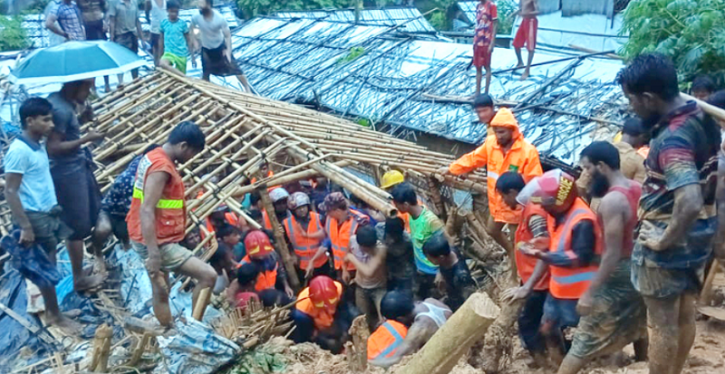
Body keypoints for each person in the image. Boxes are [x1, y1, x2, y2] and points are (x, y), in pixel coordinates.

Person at [617, 53, 720, 374]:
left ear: (648, 98)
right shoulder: (702, 117)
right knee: (684, 313)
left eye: (632, 100)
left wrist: (663, 240)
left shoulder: (673, 140)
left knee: (660, 326)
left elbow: (687, 200)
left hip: (668, 239)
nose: (630, 107)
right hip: (699, 234)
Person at [556, 142, 648, 374]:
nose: (585, 174)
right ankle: (643, 362)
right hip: (638, 267)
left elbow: (612, 253)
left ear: (602, 166)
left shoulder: (611, 201)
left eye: (588, 168)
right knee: (637, 320)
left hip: (616, 272)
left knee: (583, 340)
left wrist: (589, 292)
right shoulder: (637, 188)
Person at [126, 121, 217, 326]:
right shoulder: (162, 167)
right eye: (192, 153)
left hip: (145, 234)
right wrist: (153, 253)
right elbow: (147, 209)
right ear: (183, 146)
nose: (191, 159)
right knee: (208, 276)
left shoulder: (153, 156)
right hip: (155, 239)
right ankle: (195, 327)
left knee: (160, 287)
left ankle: (169, 329)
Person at [439, 108, 543, 282]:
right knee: (492, 230)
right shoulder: (491, 144)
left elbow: (534, 182)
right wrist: (451, 169)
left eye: (501, 132)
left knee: (518, 244)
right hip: (496, 204)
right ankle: (510, 252)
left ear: (512, 130)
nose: (498, 136)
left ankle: (515, 276)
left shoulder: (527, 152)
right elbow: (472, 159)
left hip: (515, 208)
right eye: (495, 131)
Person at [3, 98, 80, 333]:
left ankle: (54, 310)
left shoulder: (36, 145)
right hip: (33, 216)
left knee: (50, 264)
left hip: (46, 213)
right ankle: (55, 316)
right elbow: (10, 190)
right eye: (45, 120)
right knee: (45, 267)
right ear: (30, 121)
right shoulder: (19, 151)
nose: (50, 124)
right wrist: (25, 227)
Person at [522, 169, 602, 365]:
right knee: (547, 329)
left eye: (546, 204)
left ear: (559, 202)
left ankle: (590, 366)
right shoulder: (556, 214)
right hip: (558, 289)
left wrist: (543, 255)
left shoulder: (582, 220)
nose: (543, 208)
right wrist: (543, 243)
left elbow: (580, 257)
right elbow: (556, 240)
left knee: (587, 335)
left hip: (580, 291)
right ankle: (559, 365)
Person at [47, 80, 105, 291]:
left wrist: (81, 119)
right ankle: (78, 278)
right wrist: (85, 139)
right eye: (87, 88)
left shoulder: (61, 103)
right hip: (67, 174)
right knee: (76, 226)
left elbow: (64, 133)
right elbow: (54, 146)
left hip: (71, 170)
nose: (89, 93)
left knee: (76, 224)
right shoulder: (60, 109)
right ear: (75, 86)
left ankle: (78, 272)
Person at [496, 172, 549, 365]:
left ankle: (545, 362)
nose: (503, 201)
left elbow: (545, 250)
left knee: (528, 323)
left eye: (503, 196)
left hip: (540, 283)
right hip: (533, 279)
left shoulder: (534, 213)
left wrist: (528, 287)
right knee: (537, 321)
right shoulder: (529, 207)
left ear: (512, 192)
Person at [92, 144, 161, 262]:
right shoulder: (134, 181)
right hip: (110, 211)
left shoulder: (143, 163)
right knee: (103, 229)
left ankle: (125, 246)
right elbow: (141, 211)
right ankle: (97, 253)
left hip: (126, 215)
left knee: (131, 242)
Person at [577, 117, 647, 210]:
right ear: (641, 137)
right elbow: (638, 196)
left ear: (621, 132)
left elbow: (581, 186)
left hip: (595, 210)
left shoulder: (599, 151)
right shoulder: (639, 162)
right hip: (618, 212)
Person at [369, 291, 452, 368]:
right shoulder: (431, 301)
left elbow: (395, 360)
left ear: (400, 318)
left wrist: (368, 362)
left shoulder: (419, 328)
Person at [390, 183, 444, 300]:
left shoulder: (431, 221)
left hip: (433, 273)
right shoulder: (411, 216)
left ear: (405, 205)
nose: (395, 208)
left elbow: (446, 246)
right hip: (420, 269)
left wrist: (441, 272)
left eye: (397, 205)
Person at [191, 0, 253, 93]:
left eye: (201, 3)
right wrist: (195, 42)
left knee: (235, 69)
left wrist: (228, 51)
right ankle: (206, 92)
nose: (199, 6)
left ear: (208, 4)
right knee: (206, 72)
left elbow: (227, 35)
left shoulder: (219, 18)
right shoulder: (196, 17)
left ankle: (247, 89)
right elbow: (191, 29)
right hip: (206, 48)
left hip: (220, 47)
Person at [291, 275, 359, 353]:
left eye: (332, 300)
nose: (329, 309)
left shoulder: (338, 290)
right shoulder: (303, 310)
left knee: (355, 316)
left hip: (334, 320)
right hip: (317, 328)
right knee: (332, 344)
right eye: (321, 304)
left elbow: (344, 311)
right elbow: (304, 337)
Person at [345, 225, 387, 330]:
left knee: (384, 319)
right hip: (360, 287)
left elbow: (369, 272)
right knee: (362, 319)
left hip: (379, 288)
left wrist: (351, 258)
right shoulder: (353, 241)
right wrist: (344, 270)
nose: (368, 250)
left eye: (370, 248)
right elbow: (346, 255)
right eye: (365, 248)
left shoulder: (381, 249)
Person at [320, 192, 370, 281]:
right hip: (338, 267)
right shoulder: (330, 219)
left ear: (337, 211)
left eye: (329, 211)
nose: (327, 214)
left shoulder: (359, 222)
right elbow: (329, 237)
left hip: (356, 269)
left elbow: (367, 251)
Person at [422, 232, 476, 311]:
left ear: (441, 258)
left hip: (460, 304)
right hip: (451, 293)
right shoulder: (450, 251)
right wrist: (440, 273)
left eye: (430, 259)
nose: (427, 260)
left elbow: (470, 302)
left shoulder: (461, 277)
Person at [283, 192, 329, 280]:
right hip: (302, 265)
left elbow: (326, 237)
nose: (302, 210)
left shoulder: (319, 218)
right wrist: (292, 255)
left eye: (303, 207)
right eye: (298, 208)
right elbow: (286, 244)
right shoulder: (286, 224)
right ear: (293, 211)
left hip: (321, 262)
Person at [239, 230, 294, 297]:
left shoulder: (273, 255)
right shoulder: (243, 266)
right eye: (259, 255)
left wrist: (286, 286)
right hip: (257, 297)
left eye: (264, 254)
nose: (262, 257)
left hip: (272, 293)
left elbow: (280, 270)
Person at [75, 0, 111, 92]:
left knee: (103, 56)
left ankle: (107, 84)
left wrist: (106, 22)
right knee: (90, 58)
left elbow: (107, 10)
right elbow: (76, 11)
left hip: (99, 25)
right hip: (87, 27)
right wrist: (80, 26)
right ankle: (92, 86)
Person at [109, 0, 144, 85]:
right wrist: (111, 36)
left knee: (134, 58)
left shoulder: (134, 2)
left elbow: (137, 21)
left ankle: (135, 80)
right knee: (120, 59)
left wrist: (142, 38)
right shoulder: (115, 3)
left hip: (132, 34)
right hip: (120, 35)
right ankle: (121, 82)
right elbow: (112, 21)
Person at [377, 217, 415, 295]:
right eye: (390, 236)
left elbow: (410, 262)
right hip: (383, 270)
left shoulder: (408, 241)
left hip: (402, 271)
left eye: (395, 237)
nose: (392, 240)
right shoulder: (379, 229)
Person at [158, 1, 192, 76]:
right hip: (168, 53)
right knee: (163, 64)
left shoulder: (182, 24)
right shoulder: (164, 23)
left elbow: (188, 40)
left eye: (176, 12)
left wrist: (192, 57)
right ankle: (185, 77)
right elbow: (161, 41)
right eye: (172, 11)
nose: (174, 14)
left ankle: (182, 77)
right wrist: (160, 56)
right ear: (167, 11)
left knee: (180, 80)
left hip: (181, 54)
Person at [473, 0, 497, 95]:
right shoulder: (478, 6)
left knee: (487, 67)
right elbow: (477, 24)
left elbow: (495, 25)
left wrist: (492, 42)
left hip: (487, 41)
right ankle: (477, 93)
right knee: (478, 67)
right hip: (477, 41)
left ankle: (486, 92)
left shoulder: (491, 6)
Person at [513, 0, 538, 80]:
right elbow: (522, 8)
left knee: (530, 47)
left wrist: (527, 14)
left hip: (531, 21)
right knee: (516, 44)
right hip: (524, 20)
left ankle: (527, 70)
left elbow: (538, 11)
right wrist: (517, 12)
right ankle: (520, 62)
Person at [145, 0, 166, 66]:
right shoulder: (149, 1)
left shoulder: (166, 1)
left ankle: (164, 67)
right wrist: (150, 21)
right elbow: (146, 13)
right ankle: (157, 67)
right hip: (155, 30)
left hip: (165, 29)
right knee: (156, 50)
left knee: (165, 50)